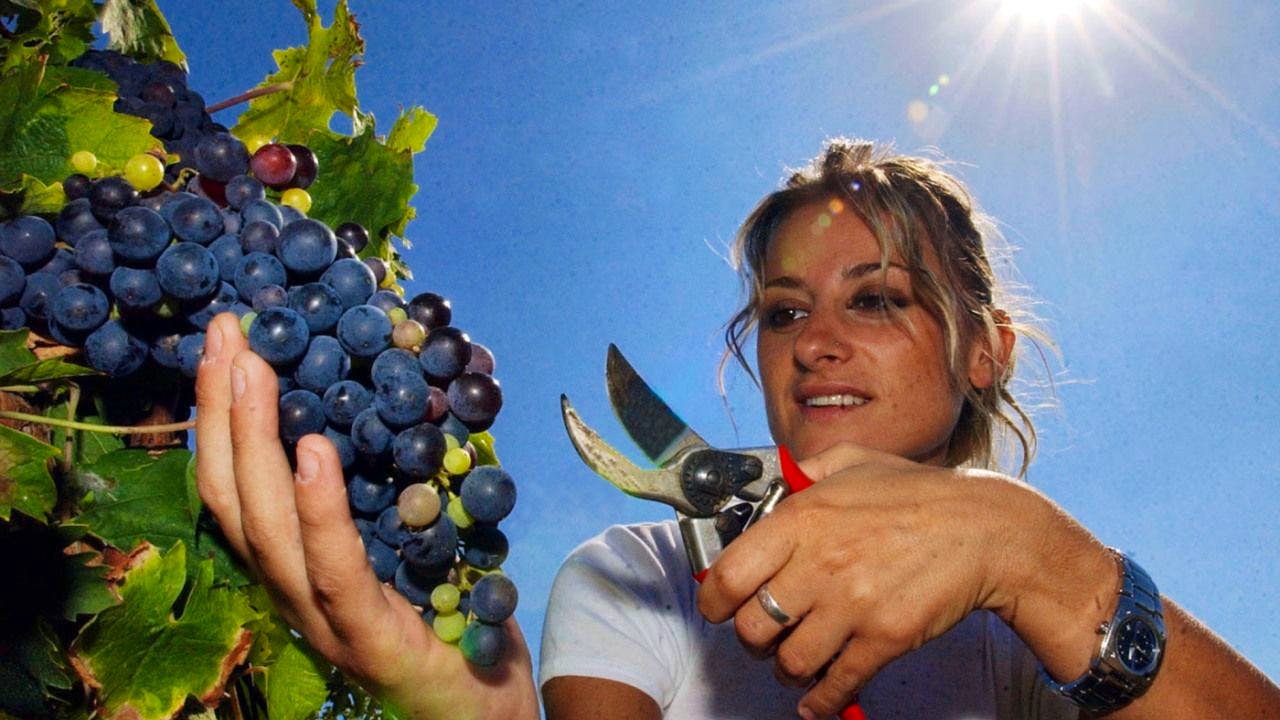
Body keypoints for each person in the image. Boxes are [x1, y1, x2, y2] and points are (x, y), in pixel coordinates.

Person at [194, 139, 1279, 720]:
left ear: (984, 350)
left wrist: (1030, 551)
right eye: (783, 313)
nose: (815, 343)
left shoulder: (1021, 640)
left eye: (875, 298)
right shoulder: (633, 577)